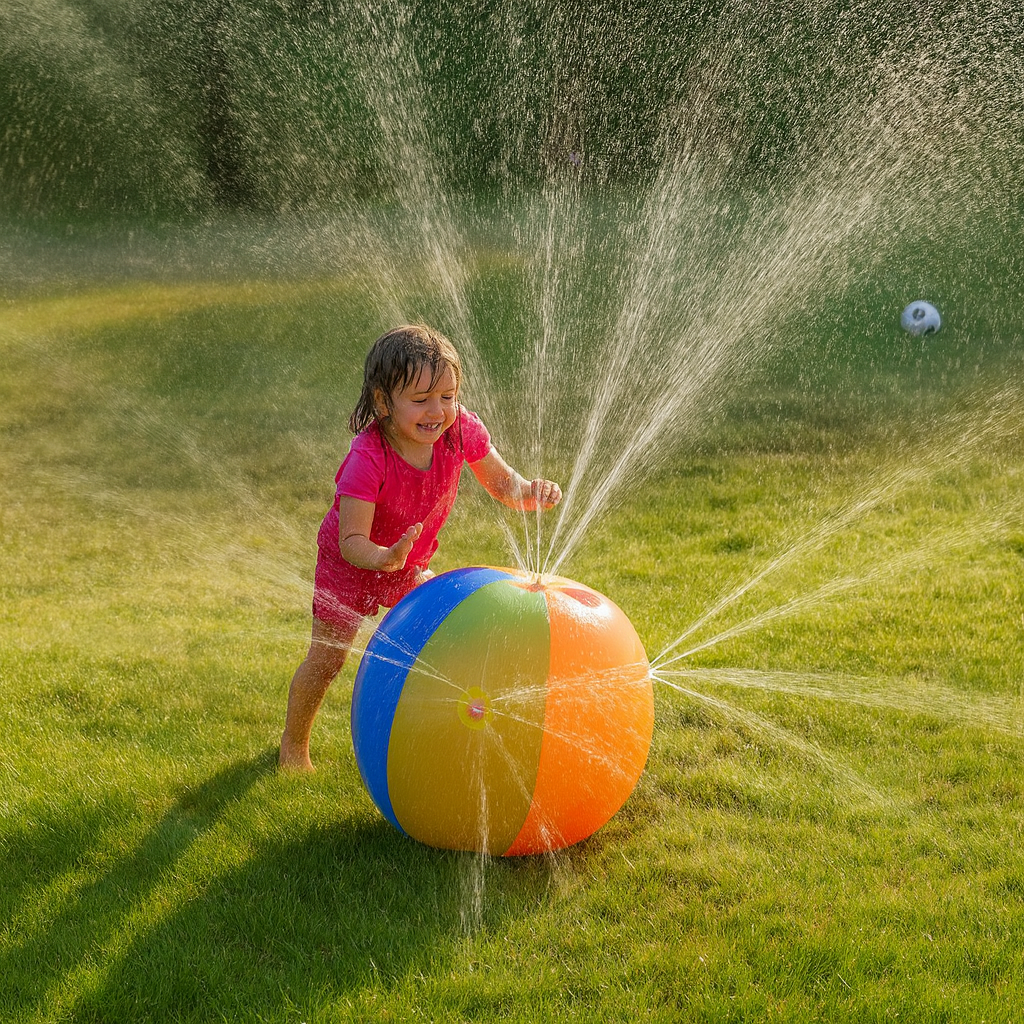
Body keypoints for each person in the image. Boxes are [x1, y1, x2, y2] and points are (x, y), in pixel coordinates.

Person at [279, 324, 562, 771]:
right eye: (421, 399)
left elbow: (504, 484)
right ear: (382, 401)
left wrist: (530, 492)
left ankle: (432, 742)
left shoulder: (460, 430)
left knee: (437, 646)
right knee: (327, 661)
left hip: (407, 565)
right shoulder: (368, 457)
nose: (438, 411)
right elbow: (351, 540)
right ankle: (294, 746)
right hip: (349, 568)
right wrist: (384, 557)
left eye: (448, 397)